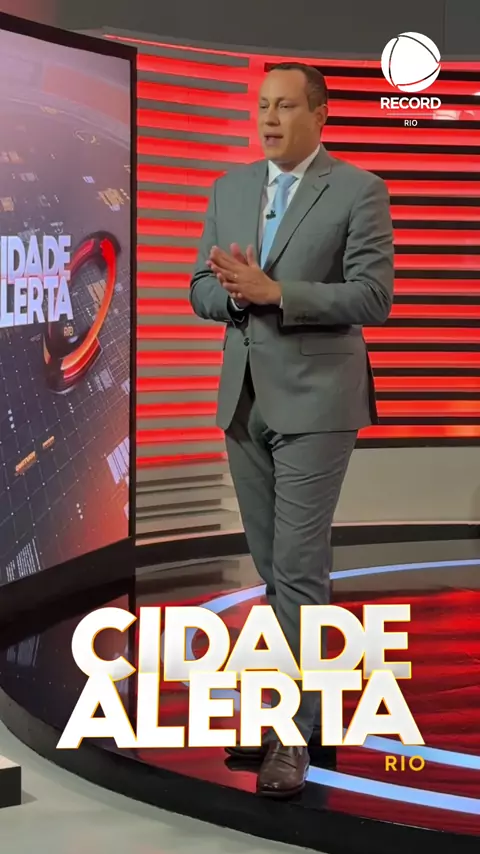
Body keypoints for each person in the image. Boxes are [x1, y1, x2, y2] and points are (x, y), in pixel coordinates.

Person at [189, 62, 394, 798]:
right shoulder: (229, 188)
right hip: (244, 401)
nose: (269, 119)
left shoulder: (359, 190)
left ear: (320, 114)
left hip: (318, 403)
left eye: (284, 106)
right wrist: (234, 297)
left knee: (300, 569)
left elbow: (373, 297)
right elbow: (200, 288)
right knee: (275, 569)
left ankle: (292, 734)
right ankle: (301, 703)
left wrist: (279, 292)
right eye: (262, 106)